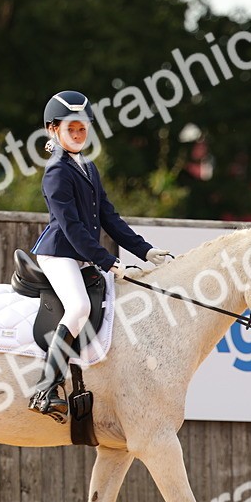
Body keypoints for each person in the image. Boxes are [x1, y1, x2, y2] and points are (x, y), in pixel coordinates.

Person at [28, 90, 173, 420]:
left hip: (82, 254)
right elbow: (72, 227)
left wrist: (145, 250)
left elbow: (109, 217)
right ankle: (45, 387)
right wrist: (107, 261)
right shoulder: (56, 172)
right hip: (59, 254)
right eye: (71, 129)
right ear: (53, 130)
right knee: (79, 306)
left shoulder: (88, 168)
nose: (78, 135)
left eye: (83, 129)